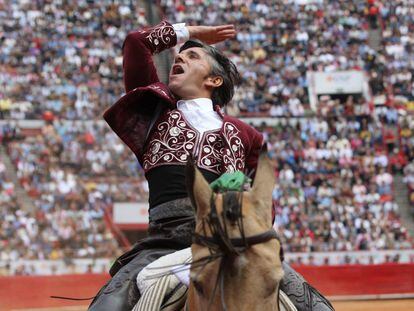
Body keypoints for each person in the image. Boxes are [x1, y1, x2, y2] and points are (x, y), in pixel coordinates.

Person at [89, 20, 333, 311]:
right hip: (165, 242)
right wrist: (189, 33)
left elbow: (261, 204)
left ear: (214, 80)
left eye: (193, 56)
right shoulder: (156, 111)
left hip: (234, 241)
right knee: (106, 307)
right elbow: (135, 42)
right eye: (179, 56)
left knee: (317, 307)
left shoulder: (248, 136)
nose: (179, 57)